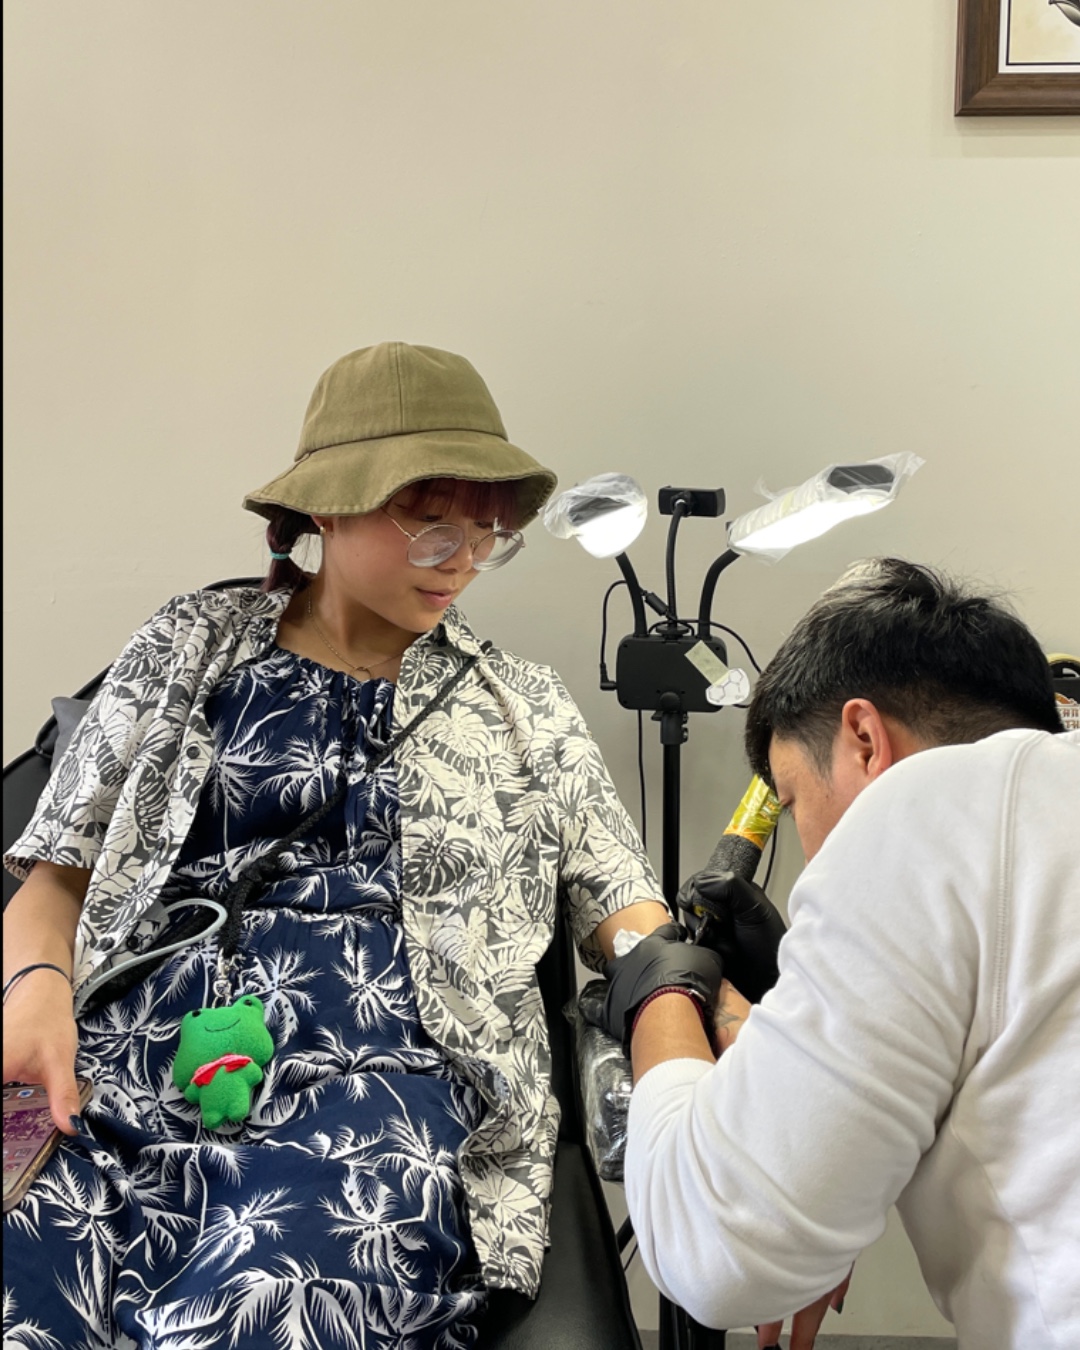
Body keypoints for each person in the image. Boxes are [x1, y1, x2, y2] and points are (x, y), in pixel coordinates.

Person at [2, 342, 672, 1349]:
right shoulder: (188, 648)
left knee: (272, 1302)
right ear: (326, 507)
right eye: (431, 521)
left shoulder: (521, 707)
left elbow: (632, 919)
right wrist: (33, 995)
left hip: (379, 1083)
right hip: (127, 1060)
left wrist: (702, 1020)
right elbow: (56, 876)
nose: (464, 558)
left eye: (488, 531)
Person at [603, 557, 1078, 1350]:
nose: (810, 849)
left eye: (790, 804)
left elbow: (719, 1250)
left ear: (864, 739)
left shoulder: (924, 805)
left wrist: (661, 992)